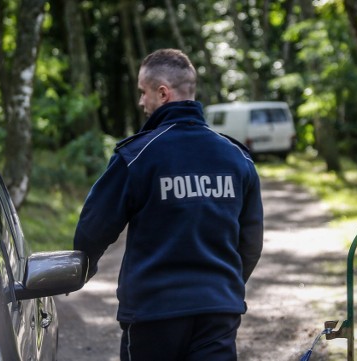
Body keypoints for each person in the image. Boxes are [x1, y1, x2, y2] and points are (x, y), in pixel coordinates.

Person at [73, 48, 264, 361]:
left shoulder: (137, 156)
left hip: (153, 313)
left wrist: (83, 268)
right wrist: (220, 285)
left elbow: (92, 230)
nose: (140, 102)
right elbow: (251, 241)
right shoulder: (237, 158)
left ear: (162, 93)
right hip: (218, 311)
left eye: (142, 93)